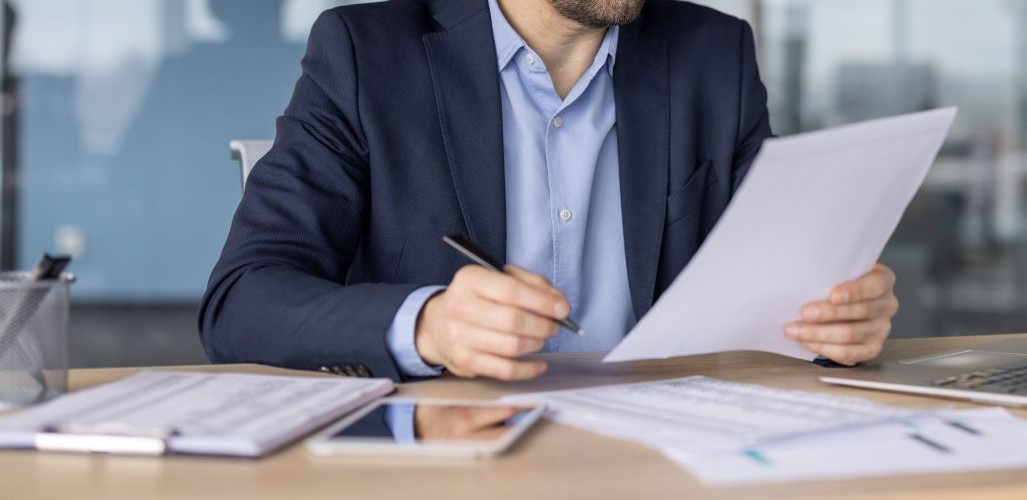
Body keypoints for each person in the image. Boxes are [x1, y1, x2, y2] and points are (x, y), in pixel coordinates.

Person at [199, 0, 899, 382]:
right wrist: (430, 325)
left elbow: (775, 278)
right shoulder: (364, 52)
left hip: (668, 449)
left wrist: (833, 321)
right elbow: (242, 298)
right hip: (453, 458)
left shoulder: (715, 56)